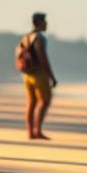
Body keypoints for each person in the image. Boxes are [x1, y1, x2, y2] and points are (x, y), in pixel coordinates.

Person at [21, 12, 58, 140]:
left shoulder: (26, 37)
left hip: (27, 74)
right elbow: (43, 58)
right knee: (44, 101)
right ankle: (37, 131)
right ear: (40, 23)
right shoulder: (39, 38)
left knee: (31, 102)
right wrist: (51, 76)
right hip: (39, 74)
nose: (47, 24)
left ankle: (30, 132)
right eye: (45, 21)